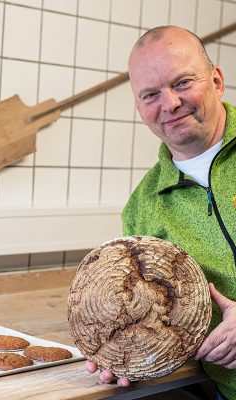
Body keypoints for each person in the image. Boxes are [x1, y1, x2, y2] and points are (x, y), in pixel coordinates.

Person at [86, 25, 236, 400]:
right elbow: (149, 314)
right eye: (151, 94)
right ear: (140, 108)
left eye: (183, 83)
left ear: (216, 81)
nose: (169, 104)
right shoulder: (143, 207)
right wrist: (123, 349)